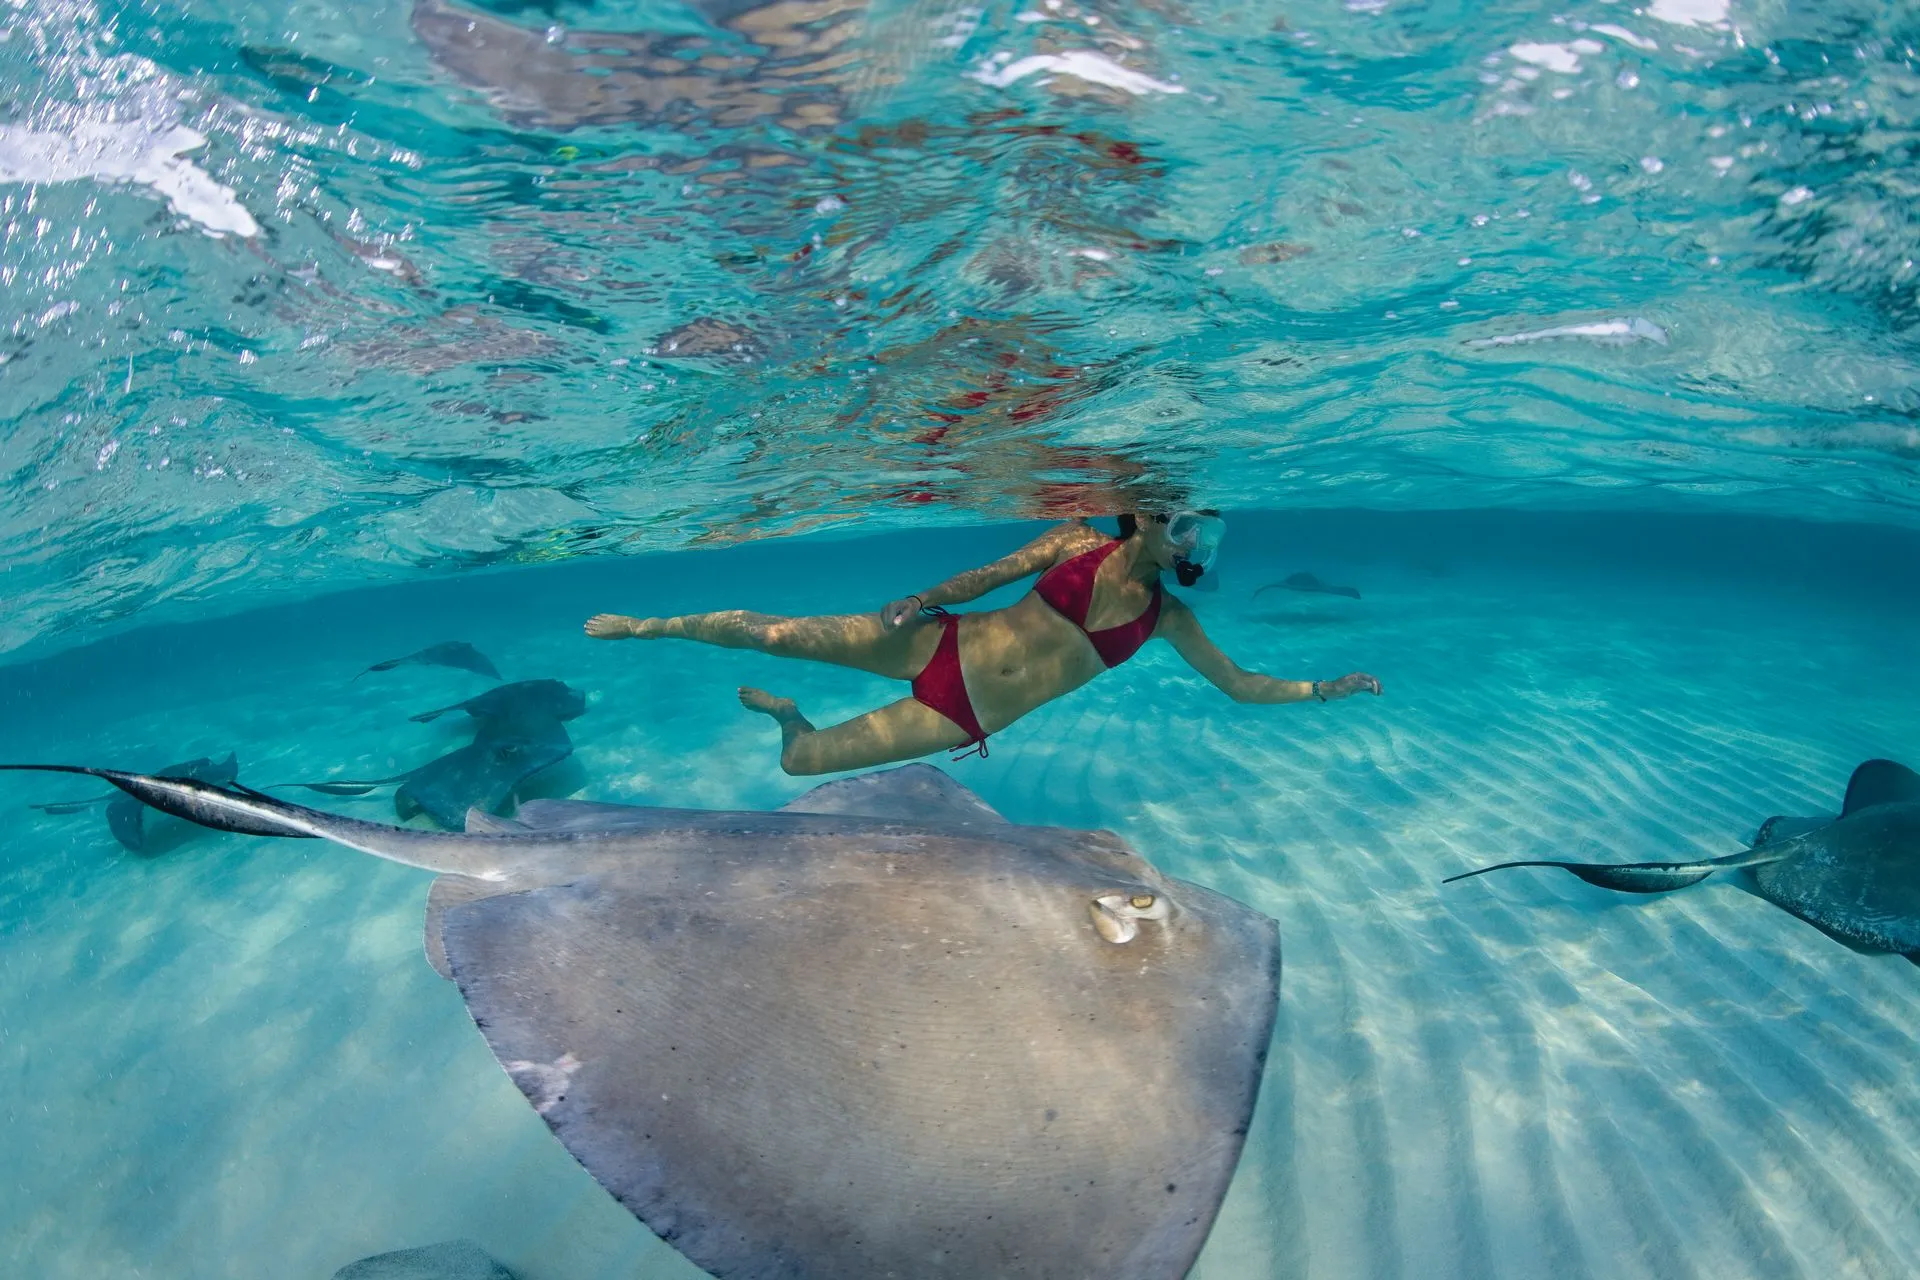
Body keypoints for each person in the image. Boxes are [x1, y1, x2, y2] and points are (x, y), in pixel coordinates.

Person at [585, 512, 1382, 774]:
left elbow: (1238, 683)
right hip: (935, 644)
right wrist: (927, 598)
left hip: (963, 718)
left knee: (801, 762)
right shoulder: (1074, 540)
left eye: (1199, 527)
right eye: (1179, 516)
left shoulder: (1168, 617)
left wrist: (1319, 691)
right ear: (1143, 516)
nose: (1190, 534)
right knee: (769, 633)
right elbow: (990, 573)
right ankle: (646, 625)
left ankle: (788, 715)